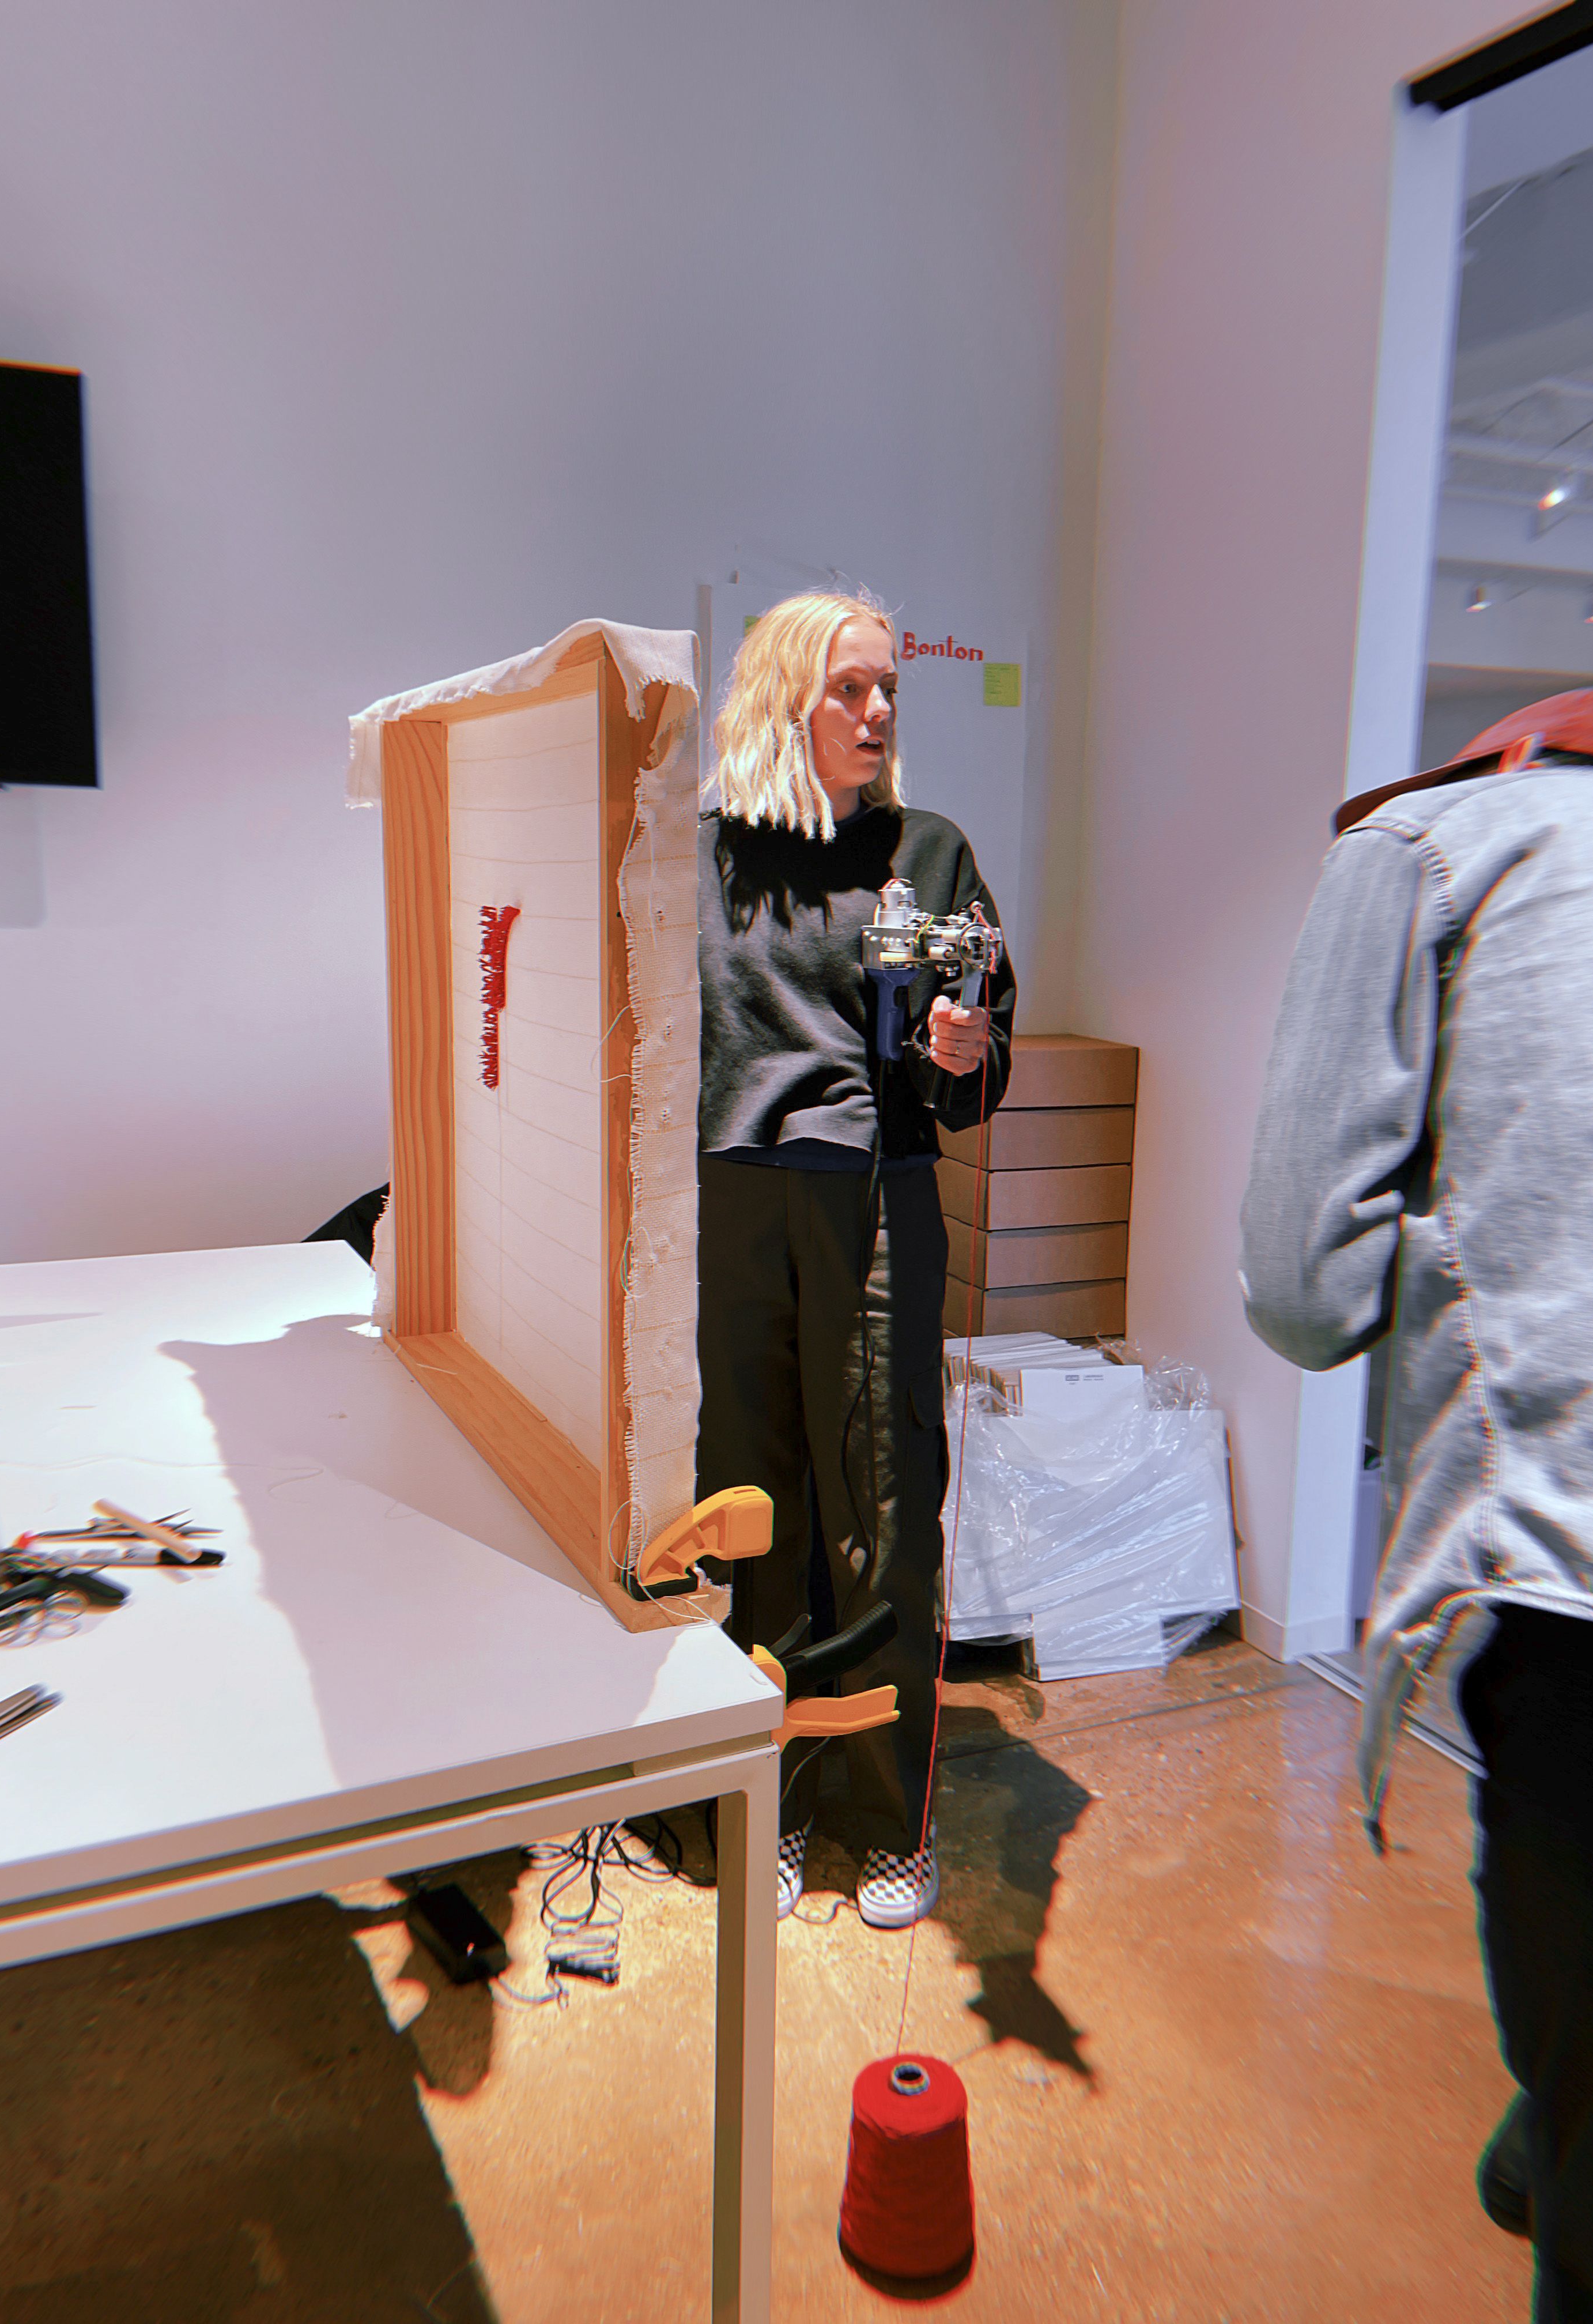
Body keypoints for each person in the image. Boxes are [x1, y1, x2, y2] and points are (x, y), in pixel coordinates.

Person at [1239, 689, 1593, 2323]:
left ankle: (1573, 2134)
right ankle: (1556, 2121)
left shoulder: (1425, 844)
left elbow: (1305, 1292)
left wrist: (1463, 1240)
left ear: (1496, 760)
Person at [697, 587, 1014, 1927]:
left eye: (890, 689)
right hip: (728, 1204)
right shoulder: (701, 858)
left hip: (876, 1201)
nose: (879, 710)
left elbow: (974, 1050)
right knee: (750, 1502)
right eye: (852, 688)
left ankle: (888, 1817)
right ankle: (767, 1797)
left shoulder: (928, 855)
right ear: (787, 698)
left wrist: (964, 1047)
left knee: (881, 1502)